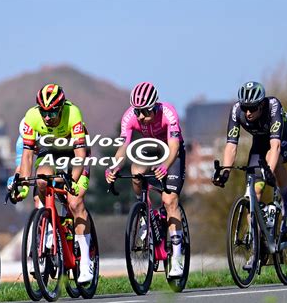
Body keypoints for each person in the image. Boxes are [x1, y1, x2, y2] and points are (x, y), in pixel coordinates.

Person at [212, 81, 287, 268]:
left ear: (261, 105)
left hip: (284, 138)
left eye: (252, 108)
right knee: (253, 193)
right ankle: (257, 250)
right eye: (245, 108)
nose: (248, 112)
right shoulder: (237, 111)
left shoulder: (273, 106)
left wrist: (269, 169)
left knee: (275, 162)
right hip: (260, 141)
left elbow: (274, 147)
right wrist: (225, 171)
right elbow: (231, 145)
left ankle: (286, 202)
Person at [105, 82, 186, 277]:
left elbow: (174, 146)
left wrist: (165, 166)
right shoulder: (130, 116)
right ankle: (144, 211)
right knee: (136, 172)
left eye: (145, 112)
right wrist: (114, 167)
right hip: (149, 149)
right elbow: (124, 146)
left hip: (171, 152)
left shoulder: (168, 113)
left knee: (169, 200)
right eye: (137, 112)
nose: (140, 117)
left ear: (155, 106)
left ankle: (176, 256)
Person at [16, 84, 93, 283]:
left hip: (74, 153)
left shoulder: (72, 112)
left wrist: (73, 183)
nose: (48, 117)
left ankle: (85, 261)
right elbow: (26, 157)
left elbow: (80, 154)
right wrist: (24, 184)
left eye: (52, 112)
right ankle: (48, 222)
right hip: (50, 151)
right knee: (41, 179)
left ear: (61, 108)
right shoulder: (32, 117)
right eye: (44, 112)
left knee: (75, 203)